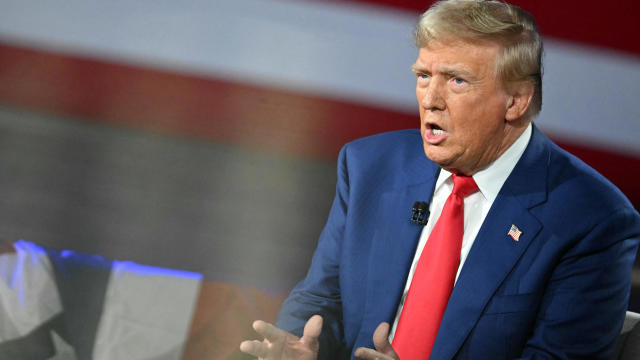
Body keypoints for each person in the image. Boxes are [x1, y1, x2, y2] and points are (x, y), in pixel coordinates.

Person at [240, 0, 640, 359]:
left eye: (456, 80)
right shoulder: (369, 166)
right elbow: (321, 297)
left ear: (515, 101)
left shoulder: (593, 219)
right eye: (423, 75)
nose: (430, 99)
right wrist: (300, 347)